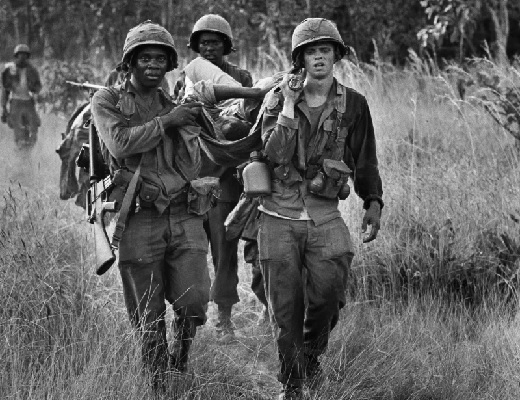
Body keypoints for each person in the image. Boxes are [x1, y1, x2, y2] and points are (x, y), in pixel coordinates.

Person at [257, 18, 384, 399]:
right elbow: (272, 153)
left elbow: (366, 160)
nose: (319, 58)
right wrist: (290, 108)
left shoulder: (354, 105)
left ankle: (310, 357)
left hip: (325, 213)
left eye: (325, 50)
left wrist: (373, 203)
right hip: (278, 213)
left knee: (330, 297)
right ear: (300, 59)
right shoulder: (278, 98)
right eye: (311, 51)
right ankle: (292, 384)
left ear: (336, 56)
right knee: (285, 307)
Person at [90, 20, 210, 390]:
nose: (154, 64)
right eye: (145, 57)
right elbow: (121, 144)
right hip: (138, 220)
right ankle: (159, 384)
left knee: (194, 302)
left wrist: (191, 124)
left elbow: (192, 167)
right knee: (148, 315)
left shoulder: (176, 105)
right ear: (130, 62)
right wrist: (167, 122)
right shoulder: (108, 101)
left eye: (161, 58)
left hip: (182, 214)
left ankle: (182, 357)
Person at [182, 14, 255, 340]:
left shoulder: (240, 77)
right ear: (196, 47)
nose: (209, 48)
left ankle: (223, 318)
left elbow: (251, 122)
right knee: (188, 253)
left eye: (215, 42)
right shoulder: (188, 75)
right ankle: (187, 317)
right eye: (203, 43)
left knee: (224, 254)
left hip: (227, 180)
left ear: (226, 45)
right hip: (195, 179)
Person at [1, 44, 42, 148]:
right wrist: (4, 108)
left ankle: (29, 148)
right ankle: (20, 150)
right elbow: (5, 90)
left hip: (28, 101)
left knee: (33, 128)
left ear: (27, 57)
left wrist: (35, 90)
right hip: (15, 101)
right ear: (16, 56)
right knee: (18, 129)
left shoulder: (32, 70)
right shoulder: (10, 70)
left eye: (25, 55)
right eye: (20, 55)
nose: (22, 57)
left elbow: (38, 87)